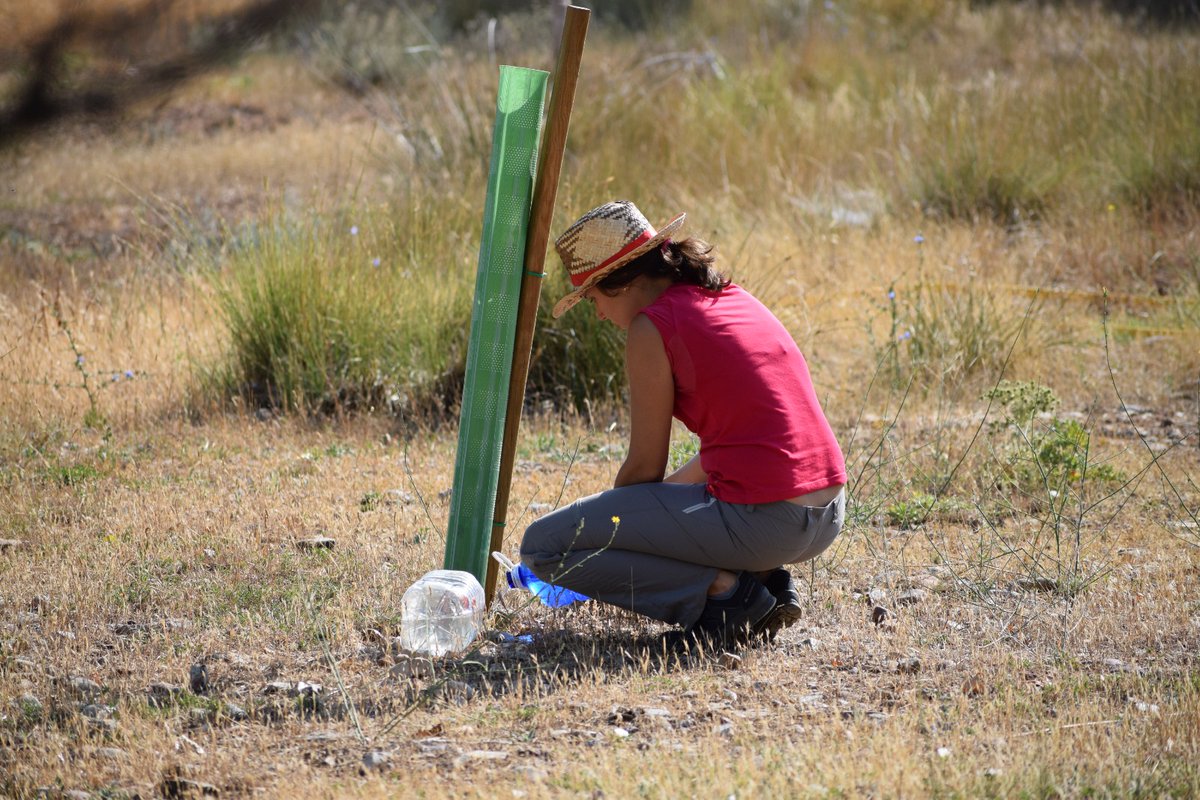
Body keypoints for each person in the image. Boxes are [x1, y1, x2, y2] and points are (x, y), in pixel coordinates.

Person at [520, 200, 846, 650]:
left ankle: (726, 597)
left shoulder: (651, 328)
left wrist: (618, 540)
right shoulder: (730, 298)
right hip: (828, 513)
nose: (596, 313)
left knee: (543, 546)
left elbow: (642, 470)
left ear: (622, 282)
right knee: (641, 515)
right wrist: (658, 512)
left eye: (593, 297)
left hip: (769, 522)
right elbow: (736, 445)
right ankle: (763, 582)